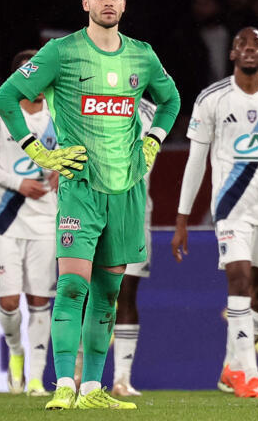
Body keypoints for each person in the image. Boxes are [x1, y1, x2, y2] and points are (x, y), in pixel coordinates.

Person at [0, 0, 180, 410]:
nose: (108, 2)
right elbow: (6, 96)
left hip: (127, 190)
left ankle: (94, 389)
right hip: (80, 187)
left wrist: (153, 139)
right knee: (72, 287)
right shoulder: (62, 52)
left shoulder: (142, 56)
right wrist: (38, 151)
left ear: (125, 4)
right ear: (85, 3)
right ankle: (63, 385)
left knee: (108, 295)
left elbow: (170, 100)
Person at [172, 28, 258, 399]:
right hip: (230, 206)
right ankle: (250, 374)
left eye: (257, 46)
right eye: (242, 45)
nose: (249, 50)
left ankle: (232, 365)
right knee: (239, 279)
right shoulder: (211, 98)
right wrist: (183, 218)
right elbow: (196, 161)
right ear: (233, 54)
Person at [0, 49, 57, 397]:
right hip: (4, 220)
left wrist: (62, 171)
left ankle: (35, 378)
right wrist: (16, 182)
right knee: (8, 302)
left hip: (47, 220)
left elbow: (83, 154)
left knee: (39, 300)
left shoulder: (62, 110)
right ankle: (15, 353)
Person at [111, 96, 157, 397]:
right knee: (84, 293)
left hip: (134, 211)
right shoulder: (87, 99)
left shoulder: (152, 111)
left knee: (126, 294)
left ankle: (122, 379)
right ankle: (75, 375)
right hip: (91, 209)